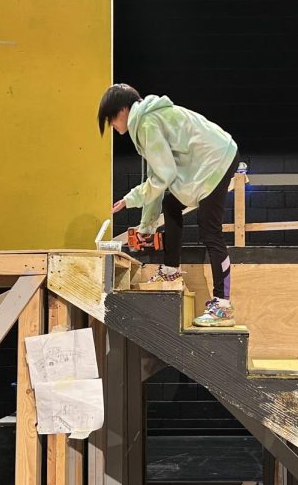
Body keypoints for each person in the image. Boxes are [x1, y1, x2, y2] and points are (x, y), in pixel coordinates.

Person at [98, 84, 241, 328]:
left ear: (122, 110)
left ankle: (223, 306)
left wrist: (132, 199)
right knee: (171, 204)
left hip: (216, 161)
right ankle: (171, 268)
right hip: (211, 160)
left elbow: (162, 176)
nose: (112, 125)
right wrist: (146, 226)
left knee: (210, 230)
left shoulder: (146, 124)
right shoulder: (148, 119)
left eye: (110, 119)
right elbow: (157, 178)